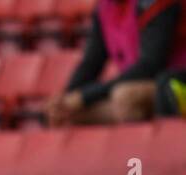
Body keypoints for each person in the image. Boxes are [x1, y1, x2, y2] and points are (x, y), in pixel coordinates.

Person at [46, 0, 186, 125]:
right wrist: (66, 97)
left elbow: (149, 66)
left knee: (126, 97)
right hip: (145, 84)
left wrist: (83, 97)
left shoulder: (154, 3)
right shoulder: (104, 8)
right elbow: (91, 62)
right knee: (66, 114)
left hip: (176, 83)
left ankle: (148, 150)